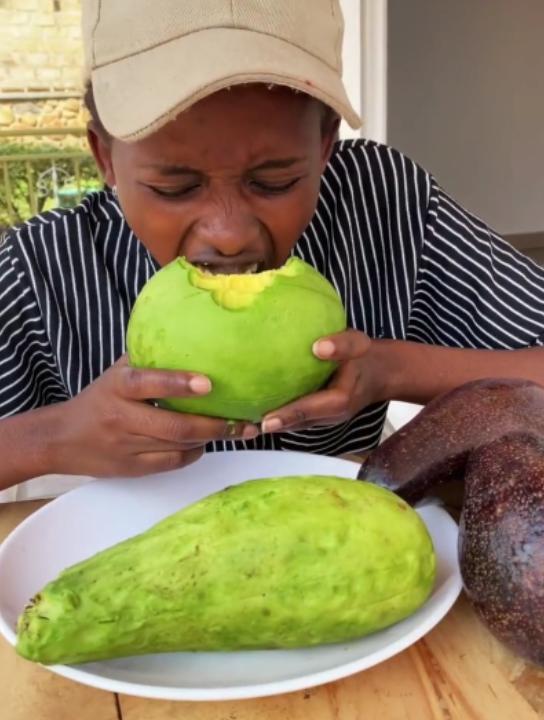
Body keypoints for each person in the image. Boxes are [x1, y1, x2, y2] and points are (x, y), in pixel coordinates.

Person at [1, 0, 544, 491]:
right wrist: (50, 438)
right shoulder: (42, 270)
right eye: (175, 188)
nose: (229, 233)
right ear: (105, 157)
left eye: (275, 182)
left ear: (326, 143)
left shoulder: (385, 204)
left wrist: (390, 369)